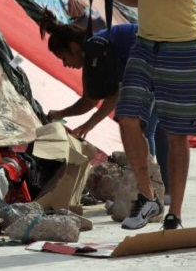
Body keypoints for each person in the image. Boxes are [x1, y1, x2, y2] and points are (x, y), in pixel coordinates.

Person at [81, 0, 196, 231]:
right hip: (145, 43)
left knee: (176, 133)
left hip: (181, 44)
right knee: (127, 117)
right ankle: (148, 198)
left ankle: (174, 213)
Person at [38, 11, 170, 198]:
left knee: (144, 130)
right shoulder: (93, 52)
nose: (65, 65)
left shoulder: (96, 53)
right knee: (156, 129)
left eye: (64, 58)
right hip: (161, 58)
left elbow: (110, 97)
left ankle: (152, 192)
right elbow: (90, 100)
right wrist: (60, 114)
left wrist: (85, 124)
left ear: (74, 46)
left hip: (158, 62)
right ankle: (162, 190)